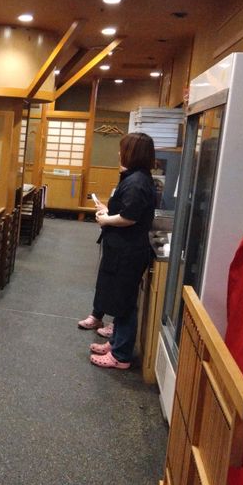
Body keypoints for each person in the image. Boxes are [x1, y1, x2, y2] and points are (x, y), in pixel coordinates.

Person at [82, 132, 156, 370]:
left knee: (124, 303)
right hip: (124, 248)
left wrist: (106, 219)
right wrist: (108, 212)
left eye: (123, 149)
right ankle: (116, 344)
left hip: (128, 250)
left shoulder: (137, 182)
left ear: (132, 153)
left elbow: (129, 217)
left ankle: (121, 355)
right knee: (120, 297)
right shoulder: (137, 178)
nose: (118, 153)